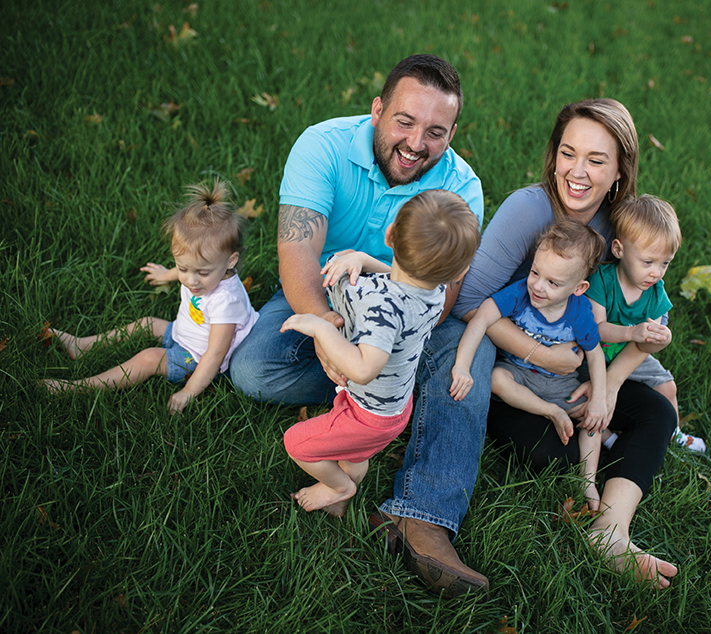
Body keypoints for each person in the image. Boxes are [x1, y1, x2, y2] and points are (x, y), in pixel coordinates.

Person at [228, 54, 491, 597]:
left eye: (436, 131)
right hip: (331, 298)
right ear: (377, 110)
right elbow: (298, 262)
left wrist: (377, 348)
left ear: (453, 133)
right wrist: (330, 330)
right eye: (405, 121)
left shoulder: (463, 188)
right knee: (253, 370)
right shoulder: (322, 146)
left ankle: (425, 517)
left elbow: (444, 299)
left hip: (408, 321)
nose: (418, 142)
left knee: (467, 355)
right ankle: (384, 402)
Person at [452, 98, 680, 589]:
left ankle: (611, 529)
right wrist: (543, 354)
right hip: (516, 362)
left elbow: (645, 310)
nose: (577, 172)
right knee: (548, 455)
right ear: (554, 154)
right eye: (568, 153)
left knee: (659, 413)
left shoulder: (622, 228)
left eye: (597, 160)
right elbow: (468, 301)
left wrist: (610, 387)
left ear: (620, 171)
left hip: (581, 366)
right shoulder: (527, 209)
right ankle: (610, 459)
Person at [280, 190, 480, 514]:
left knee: (297, 444)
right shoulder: (436, 292)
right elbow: (404, 278)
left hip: (368, 415)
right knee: (354, 454)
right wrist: (363, 259)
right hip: (392, 408)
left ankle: (339, 487)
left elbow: (362, 369)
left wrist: (322, 328)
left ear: (389, 236)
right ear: (458, 273)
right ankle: (344, 493)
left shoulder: (383, 309)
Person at [43, 180, 258, 415]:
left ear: (230, 261)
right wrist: (167, 274)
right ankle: (83, 346)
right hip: (185, 334)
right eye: (183, 268)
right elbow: (190, 269)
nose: (191, 281)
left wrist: (189, 390)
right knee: (146, 323)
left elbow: (216, 353)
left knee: (148, 359)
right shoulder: (201, 272)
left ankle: (78, 388)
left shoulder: (227, 301)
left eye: (202, 273)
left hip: (198, 359)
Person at [450, 220, 608, 510]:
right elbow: (482, 317)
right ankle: (550, 412)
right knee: (497, 379)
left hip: (560, 382)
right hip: (520, 374)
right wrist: (462, 365)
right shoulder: (520, 293)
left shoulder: (579, 311)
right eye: (535, 272)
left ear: (579, 287)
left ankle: (589, 482)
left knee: (592, 415)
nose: (537, 285)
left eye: (553, 283)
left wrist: (599, 399)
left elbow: (595, 353)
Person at [588, 194, 707, 453]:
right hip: (596, 354)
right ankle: (608, 438)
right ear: (618, 250)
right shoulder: (603, 281)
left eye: (665, 263)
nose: (656, 272)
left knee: (667, 385)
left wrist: (664, 338)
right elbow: (596, 329)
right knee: (581, 391)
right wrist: (632, 332)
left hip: (630, 357)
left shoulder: (655, 292)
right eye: (648, 262)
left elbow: (652, 341)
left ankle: (674, 432)